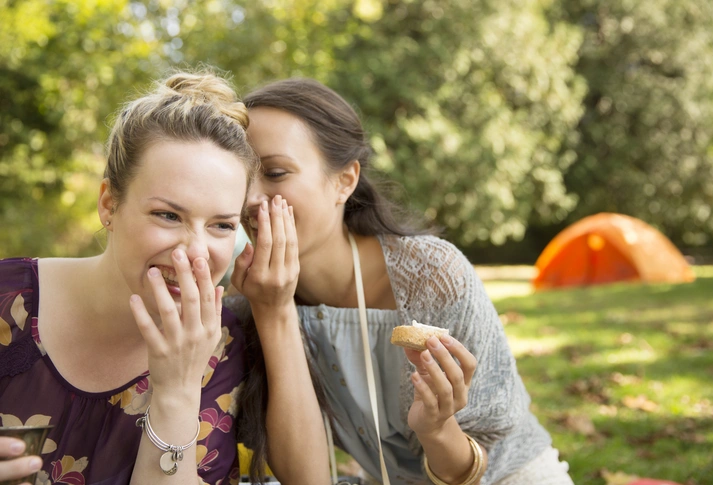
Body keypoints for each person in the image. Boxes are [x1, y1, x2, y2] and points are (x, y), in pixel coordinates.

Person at [226, 78, 575, 485]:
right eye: (240, 177)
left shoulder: (432, 276)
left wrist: (437, 428)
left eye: (274, 172)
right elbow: (308, 480)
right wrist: (274, 312)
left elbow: (478, 464)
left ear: (345, 180)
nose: (250, 198)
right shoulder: (250, 298)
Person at [0, 71, 328, 485]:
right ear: (108, 204)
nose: (194, 251)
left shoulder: (222, 347)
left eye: (222, 225)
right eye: (168, 215)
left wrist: (176, 394)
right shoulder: (8, 300)